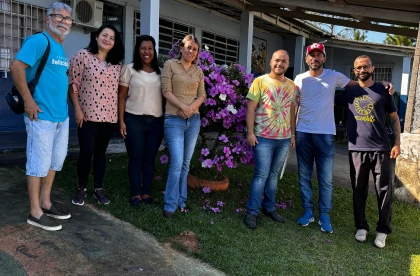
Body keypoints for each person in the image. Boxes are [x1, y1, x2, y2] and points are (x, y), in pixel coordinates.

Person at [293, 43, 394, 233]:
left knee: (326, 179)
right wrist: (291, 132)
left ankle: (325, 215)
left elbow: (361, 84)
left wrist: (382, 84)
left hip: (325, 134)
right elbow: (292, 103)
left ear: (324, 58)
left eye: (318, 55)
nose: (315, 58)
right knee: (304, 176)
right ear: (307, 59)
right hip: (303, 133)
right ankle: (308, 211)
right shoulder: (299, 79)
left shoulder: (334, 76)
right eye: (311, 55)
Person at [9, 2, 73, 231]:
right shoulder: (40, 41)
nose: (63, 21)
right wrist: (28, 100)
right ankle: (34, 212)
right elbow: (16, 66)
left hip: (60, 118)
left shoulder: (60, 47)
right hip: (41, 117)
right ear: (48, 19)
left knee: (54, 162)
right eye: (58, 17)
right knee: (38, 164)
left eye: (67, 19)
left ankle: (46, 203)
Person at [336, 55, 400, 248]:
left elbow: (395, 118)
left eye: (365, 67)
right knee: (358, 189)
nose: (362, 70)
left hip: (381, 149)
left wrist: (397, 143)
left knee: (385, 191)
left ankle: (382, 230)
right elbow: (323, 98)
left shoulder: (383, 90)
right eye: (358, 68)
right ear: (354, 71)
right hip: (357, 149)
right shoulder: (349, 93)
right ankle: (361, 227)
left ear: (372, 68)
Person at [68, 24, 125, 206]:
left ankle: (98, 189)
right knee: (86, 152)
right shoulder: (82, 56)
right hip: (86, 115)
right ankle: (82, 188)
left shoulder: (117, 66)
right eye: (104, 35)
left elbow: (120, 92)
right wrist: (77, 109)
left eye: (112, 37)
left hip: (108, 117)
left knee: (100, 153)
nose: (107, 39)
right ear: (97, 36)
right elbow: (73, 85)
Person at [244, 50, 298, 229]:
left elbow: (291, 111)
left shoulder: (291, 85)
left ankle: (269, 207)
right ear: (271, 62)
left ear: (288, 63)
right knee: (261, 175)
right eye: (276, 60)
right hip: (263, 138)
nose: (279, 64)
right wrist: (250, 132)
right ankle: (252, 212)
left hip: (283, 138)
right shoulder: (260, 81)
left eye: (283, 61)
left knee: (274, 175)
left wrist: (292, 134)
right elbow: (250, 108)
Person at [161, 34, 206, 218]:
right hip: (174, 119)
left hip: (193, 121)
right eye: (188, 47)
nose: (191, 51)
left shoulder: (198, 72)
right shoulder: (170, 65)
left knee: (186, 163)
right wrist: (183, 107)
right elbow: (166, 91)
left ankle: (181, 200)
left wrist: (190, 109)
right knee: (177, 162)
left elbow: (202, 95)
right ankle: (170, 204)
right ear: (181, 48)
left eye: (194, 49)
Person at [118, 35, 164, 206]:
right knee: (136, 157)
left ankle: (146, 192)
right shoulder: (129, 69)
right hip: (134, 120)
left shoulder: (162, 72)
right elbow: (121, 96)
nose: (147, 51)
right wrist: (121, 121)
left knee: (150, 158)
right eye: (143, 48)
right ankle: (136, 192)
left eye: (150, 48)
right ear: (138, 50)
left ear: (154, 50)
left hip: (156, 123)